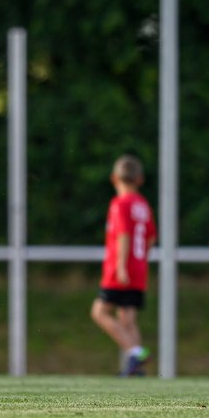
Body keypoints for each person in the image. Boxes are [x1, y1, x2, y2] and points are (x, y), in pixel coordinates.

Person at [90, 155, 157, 376]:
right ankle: (136, 367)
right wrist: (139, 263)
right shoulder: (142, 205)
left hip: (120, 269)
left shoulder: (120, 204)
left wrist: (120, 267)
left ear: (114, 178)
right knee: (127, 318)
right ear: (140, 180)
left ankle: (135, 352)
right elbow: (150, 238)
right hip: (138, 268)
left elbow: (124, 235)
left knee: (99, 312)